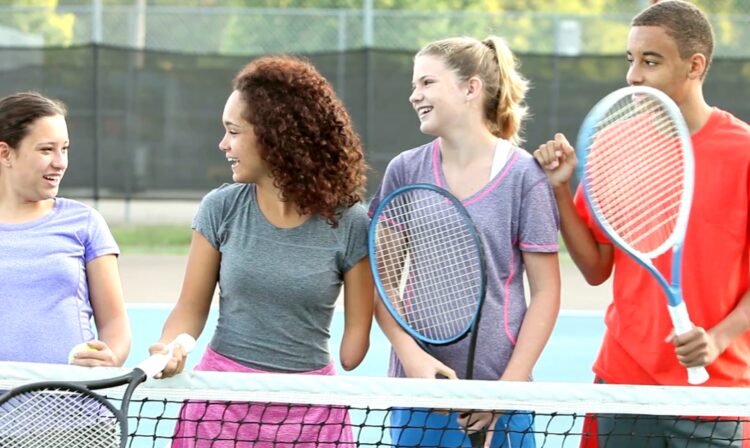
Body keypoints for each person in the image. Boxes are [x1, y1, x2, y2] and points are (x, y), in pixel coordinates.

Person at [533, 1, 750, 446]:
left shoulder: (744, 153)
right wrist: (559, 190)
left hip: (718, 398)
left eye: (650, 61)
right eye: (631, 60)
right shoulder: (613, 144)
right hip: (624, 387)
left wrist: (718, 337)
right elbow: (596, 269)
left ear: (695, 66)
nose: (634, 75)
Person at [150, 55, 374, 447]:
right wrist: (168, 348)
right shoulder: (220, 208)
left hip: (313, 414)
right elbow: (190, 308)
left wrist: (377, 267)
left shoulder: (353, 224)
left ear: (275, 137)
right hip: (219, 406)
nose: (223, 144)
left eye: (233, 131)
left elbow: (352, 354)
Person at [369, 35, 561, 447]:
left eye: (426, 83)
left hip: (501, 395)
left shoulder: (525, 177)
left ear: (471, 88)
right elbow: (380, 280)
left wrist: (503, 395)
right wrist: (413, 358)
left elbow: (546, 293)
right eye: (414, 85)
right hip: (419, 396)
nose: (414, 95)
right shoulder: (404, 170)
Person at [0, 91, 131, 367]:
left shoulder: (85, 223)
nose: (60, 162)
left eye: (65, 148)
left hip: (74, 405)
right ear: (5, 153)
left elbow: (115, 322)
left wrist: (111, 356)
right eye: (46, 150)